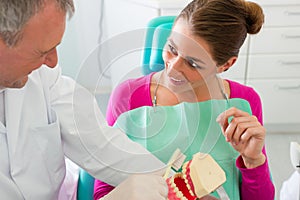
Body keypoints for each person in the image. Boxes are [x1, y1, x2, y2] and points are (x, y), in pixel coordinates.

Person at [94, 0, 275, 199]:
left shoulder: (244, 102)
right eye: (172, 48)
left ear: (225, 65)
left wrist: (253, 160)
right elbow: (104, 192)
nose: (172, 68)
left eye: (192, 63)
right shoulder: (128, 97)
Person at [0, 0, 169, 199]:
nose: (53, 63)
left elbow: (101, 146)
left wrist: (178, 184)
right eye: (42, 52)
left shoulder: (43, 76)